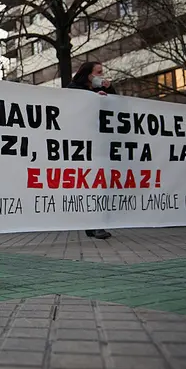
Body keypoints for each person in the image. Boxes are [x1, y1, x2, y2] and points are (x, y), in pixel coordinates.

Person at [68, 61, 115, 240]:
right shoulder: (73, 89)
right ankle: (95, 224)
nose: (101, 75)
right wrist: (92, 98)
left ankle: (94, 225)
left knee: (99, 184)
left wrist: (109, 91)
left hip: (100, 144)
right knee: (92, 184)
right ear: (88, 74)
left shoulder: (100, 90)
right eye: (98, 72)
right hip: (84, 146)